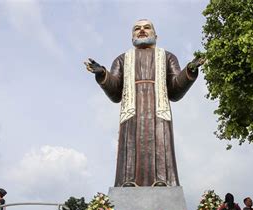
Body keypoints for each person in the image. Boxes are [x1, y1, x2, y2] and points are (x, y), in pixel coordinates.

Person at [85, 19, 204, 187]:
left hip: (158, 109)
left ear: (155, 35)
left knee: (161, 142)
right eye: (137, 29)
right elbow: (115, 92)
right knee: (130, 144)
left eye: (147, 27)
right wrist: (103, 74)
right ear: (131, 35)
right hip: (132, 110)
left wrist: (190, 70)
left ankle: (162, 180)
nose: (141, 30)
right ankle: (128, 181)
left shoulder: (167, 56)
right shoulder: (122, 59)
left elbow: (176, 88)